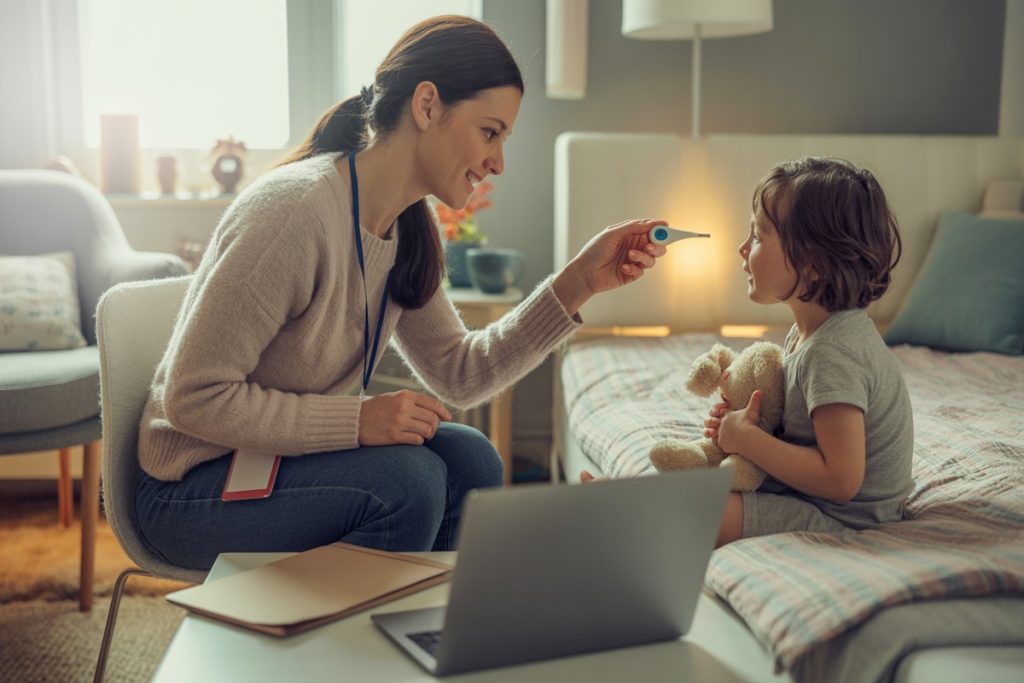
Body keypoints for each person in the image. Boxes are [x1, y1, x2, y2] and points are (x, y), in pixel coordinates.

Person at [134, 15, 668, 571]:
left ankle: (418, 632)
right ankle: (344, 648)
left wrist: (580, 281)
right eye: (490, 132)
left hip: (275, 462)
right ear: (428, 105)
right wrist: (357, 422)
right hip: (190, 487)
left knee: (472, 461)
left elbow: (460, 373)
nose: (498, 163)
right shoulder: (294, 213)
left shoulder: (407, 224)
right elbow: (193, 397)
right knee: (406, 484)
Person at [583, 156, 914, 548]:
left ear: (813, 264)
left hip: (846, 516)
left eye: (758, 237)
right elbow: (806, 434)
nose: (742, 249)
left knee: (702, 512)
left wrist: (749, 441)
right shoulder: (809, 334)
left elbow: (841, 479)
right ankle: (622, 505)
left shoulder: (833, 352)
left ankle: (610, 517)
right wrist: (749, 427)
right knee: (695, 491)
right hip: (818, 497)